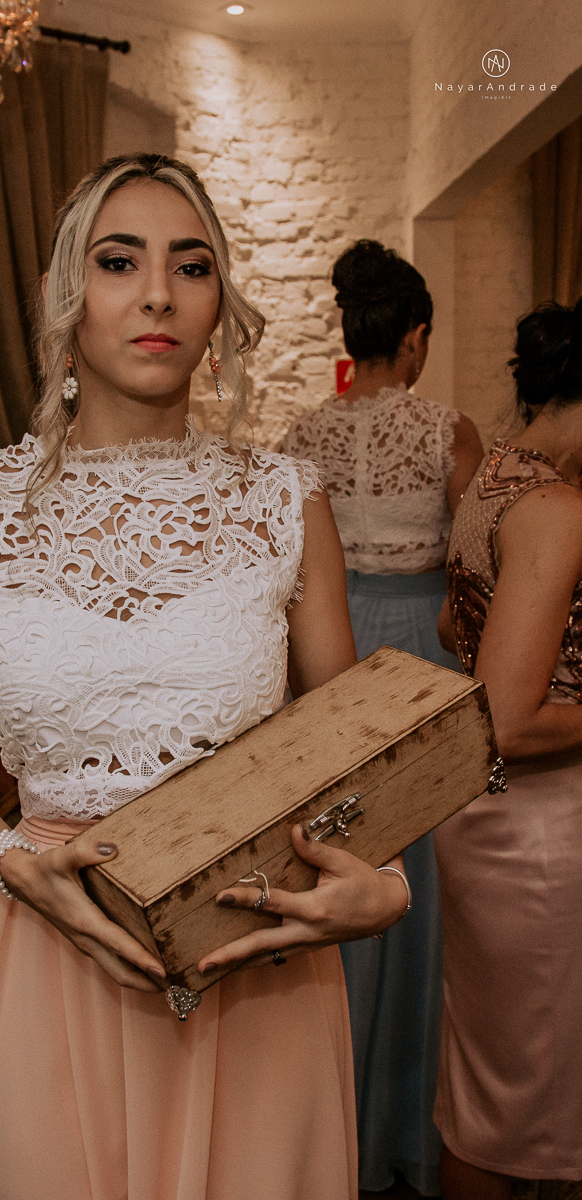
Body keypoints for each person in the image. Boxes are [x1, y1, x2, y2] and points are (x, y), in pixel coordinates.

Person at [0, 154, 413, 1200]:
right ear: (63, 295)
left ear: (221, 302)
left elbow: (346, 744)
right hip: (52, 939)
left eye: (192, 264)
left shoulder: (282, 497)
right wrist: (5, 858)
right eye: (118, 261)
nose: (158, 294)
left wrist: (384, 886)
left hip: (247, 956)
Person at [281, 240, 484, 1197]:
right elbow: (476, 578)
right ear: (413, 337)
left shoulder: (299, 439)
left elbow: (280, 583)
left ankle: (327, 1125)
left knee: (331, 858)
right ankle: (405, 1126)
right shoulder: (451, 432)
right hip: (419, 657)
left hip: (325, 650)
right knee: (418, 887)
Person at [435, 300, 582, 1199]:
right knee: (540, 1105)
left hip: (486, 821)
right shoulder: (557, 506)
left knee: (488, 1091)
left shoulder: (489, 476)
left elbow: (453, 621)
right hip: (547, 837)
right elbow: (511, 719)